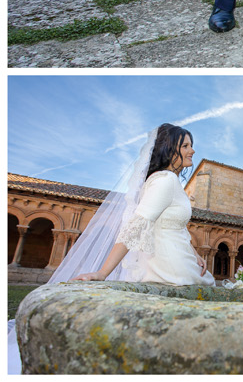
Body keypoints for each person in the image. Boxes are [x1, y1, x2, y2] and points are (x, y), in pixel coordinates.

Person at [8, 124, 213, 372]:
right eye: (185, 146)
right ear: (170, 151)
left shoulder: (167, 182)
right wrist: (102, 273)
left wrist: (196, 254)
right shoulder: (165, 181)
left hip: (181, 259)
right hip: (172, 267)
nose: (192, 150)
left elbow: (172, 226)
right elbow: (136, 226)